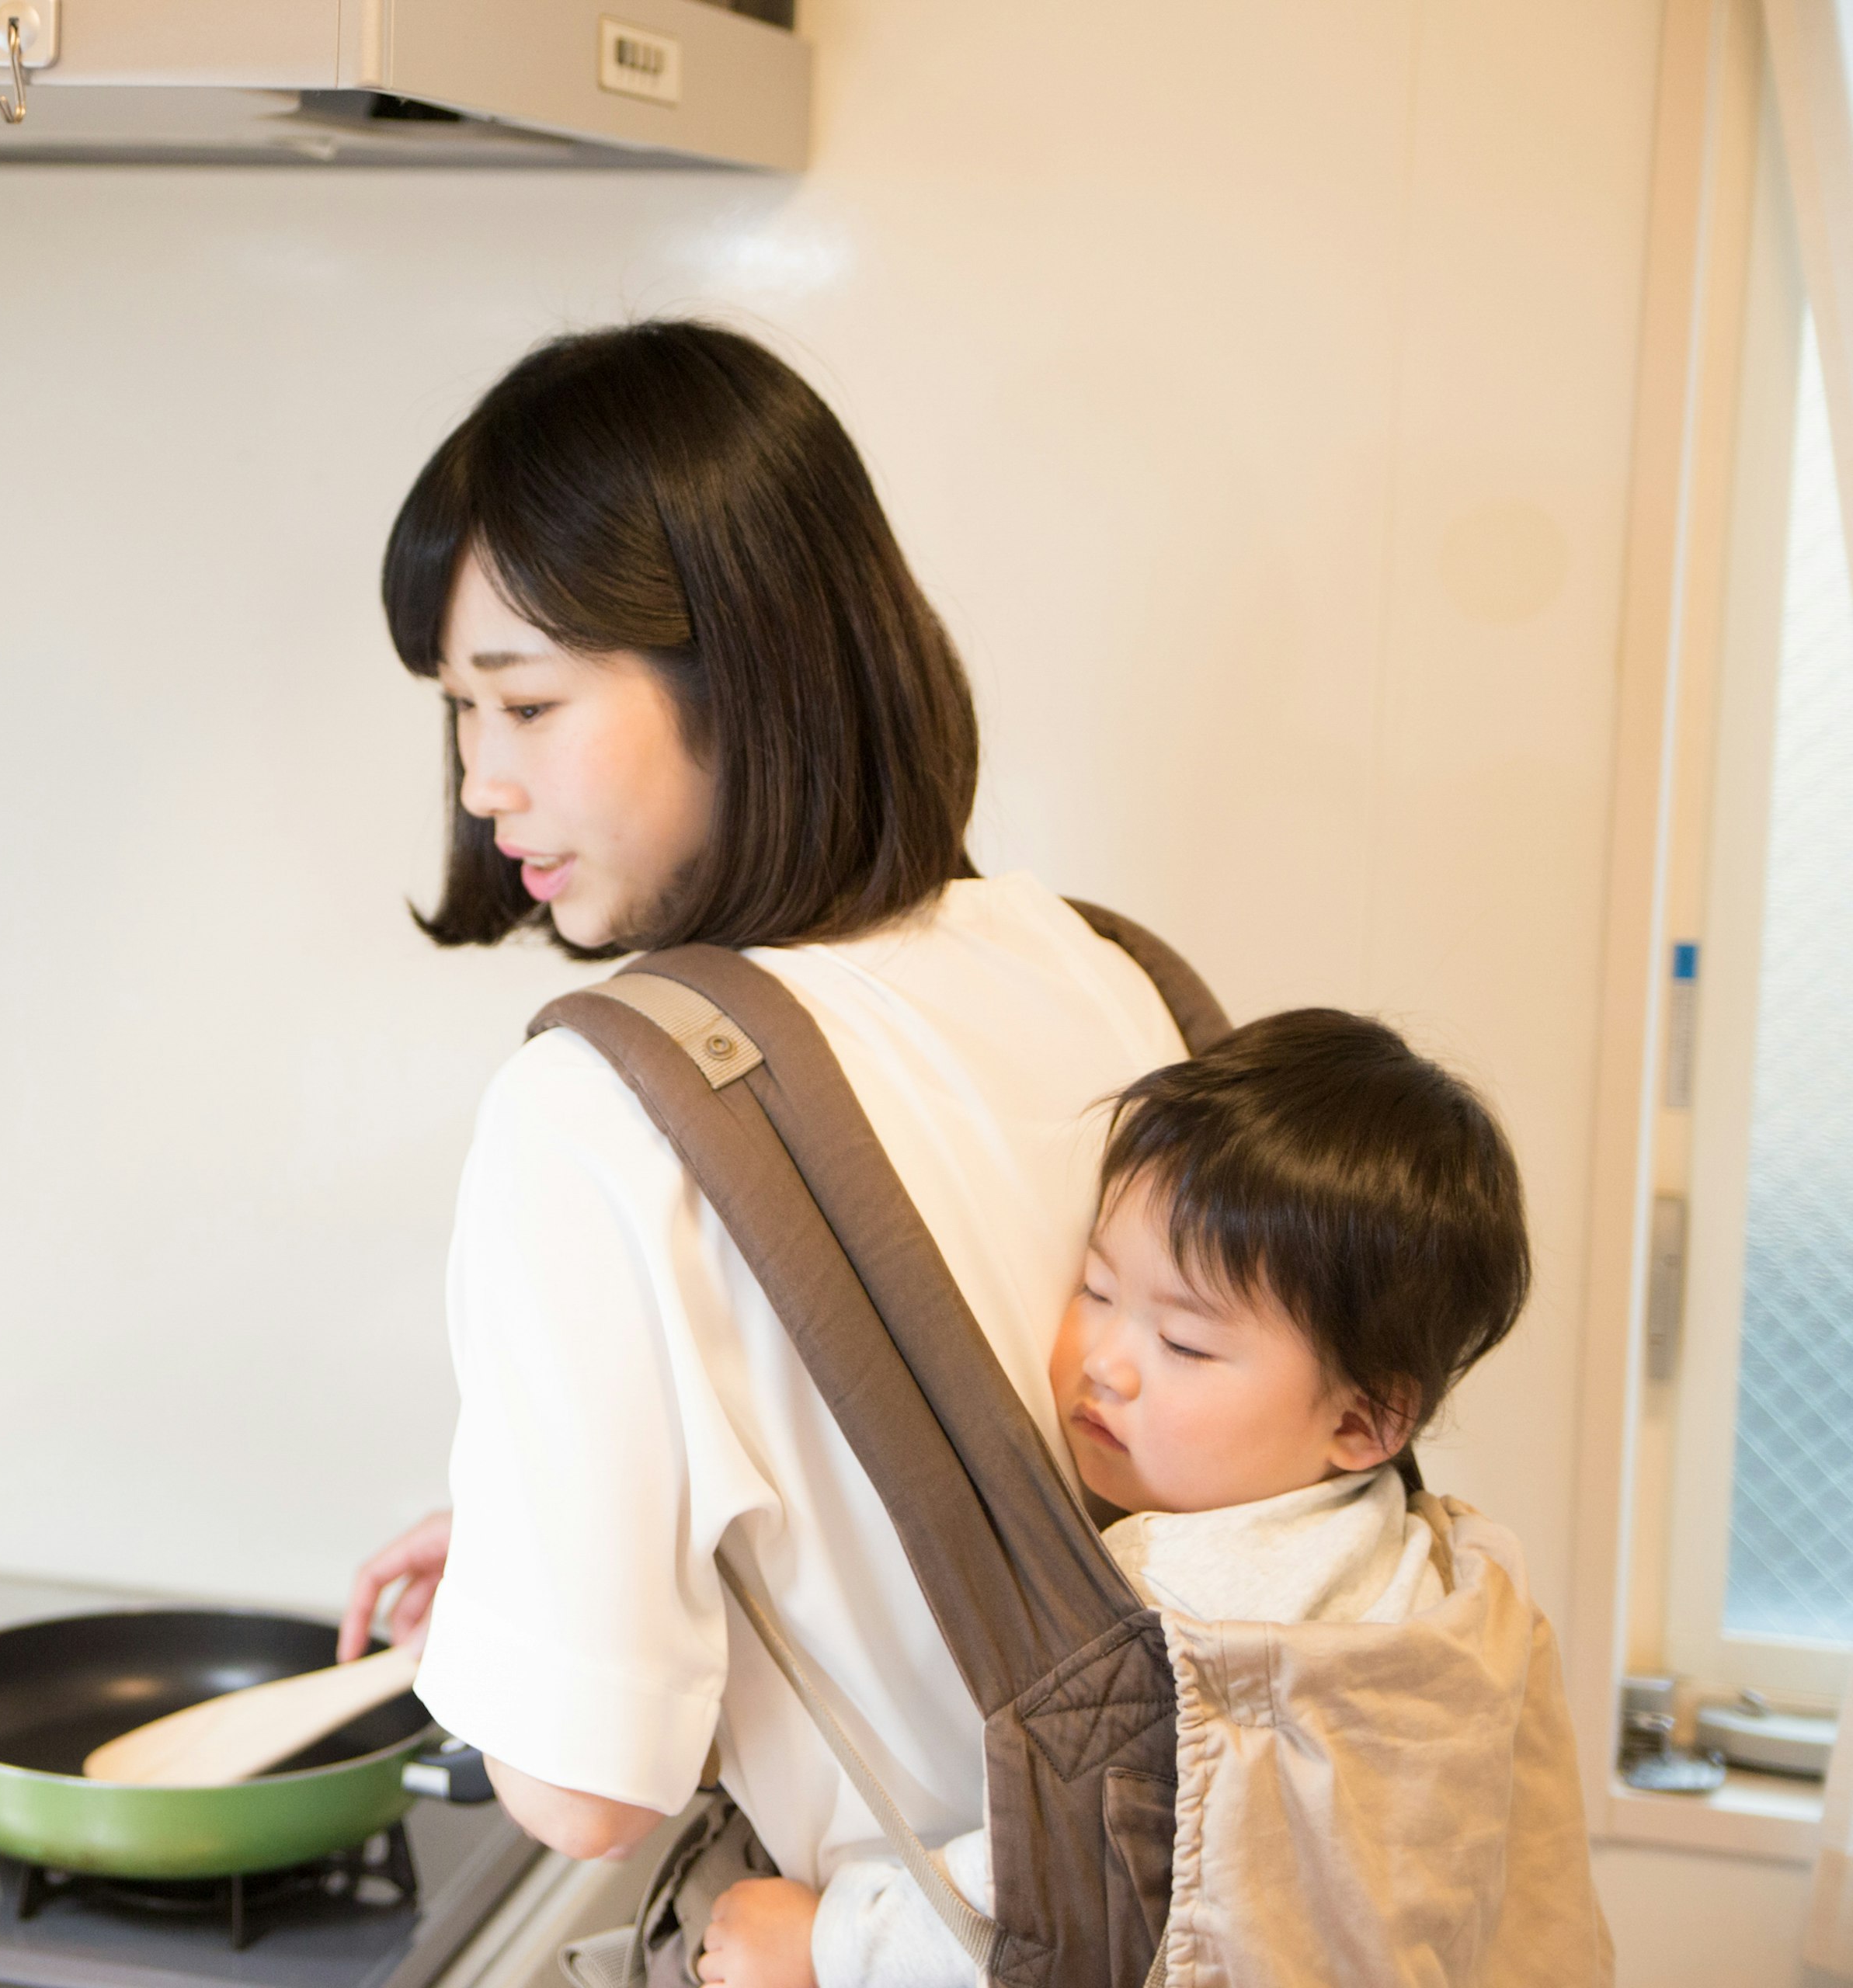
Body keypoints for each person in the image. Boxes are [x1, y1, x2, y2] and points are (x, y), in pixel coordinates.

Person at [335, 321, 1187, 1908]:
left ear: (739, 668)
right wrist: (574, 1526)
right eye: (460, 711)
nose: (479, 783)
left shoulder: (600, 1103)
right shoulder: (1085, 963)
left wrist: (528, 1607)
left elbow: (577, 1786)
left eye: (526, 705)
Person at [694, 1006, 1531, 1988]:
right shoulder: (1384, 1540)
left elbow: (1070, 1892)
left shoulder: (1187, 1615)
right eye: (1096, 1288)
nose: (1106, 1361)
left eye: (1183, 1342)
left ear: (1363, 1422)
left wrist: (827, 1943)